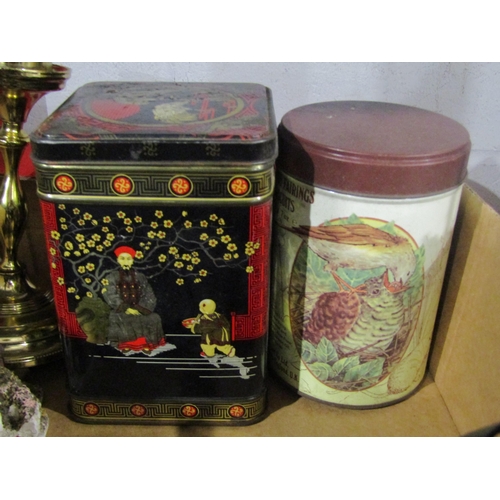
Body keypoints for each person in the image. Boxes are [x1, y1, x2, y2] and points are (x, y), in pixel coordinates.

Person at [102, 246, 165, 354]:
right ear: (118, 260)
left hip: (140, 308)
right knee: (120, 318)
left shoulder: (140, 277)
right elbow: (110, 294)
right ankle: (126, 344)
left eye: (128, 259)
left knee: (154, 318)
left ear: (132, 260)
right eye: (122, 258)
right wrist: (125, 308)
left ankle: (146, 344)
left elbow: (149, 294)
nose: (125, 261)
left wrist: (140, 308)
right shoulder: (111, 277)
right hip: (121, 310)